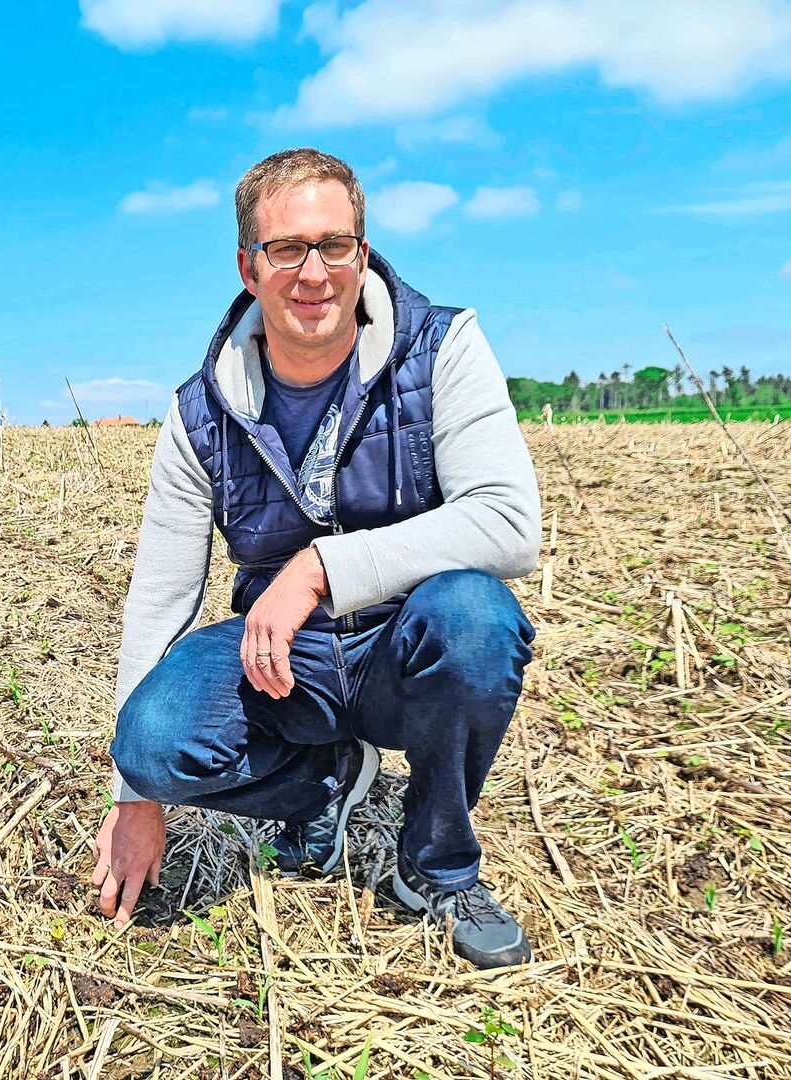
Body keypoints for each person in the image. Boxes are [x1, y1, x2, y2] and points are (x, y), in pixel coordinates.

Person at [89, 148, 541, 969]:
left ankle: (436, 865)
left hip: (405, 648)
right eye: (287, 249)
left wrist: (319, 569)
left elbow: (508, 523)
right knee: (150, 741)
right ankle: (328, 781)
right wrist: (135, 794)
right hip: (283, 666)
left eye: (333, 245)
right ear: (248, 267)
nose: (313, 273)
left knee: (476, 618)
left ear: (362, 254)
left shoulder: (442, 349)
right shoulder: (201, 411)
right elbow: (160, 596)